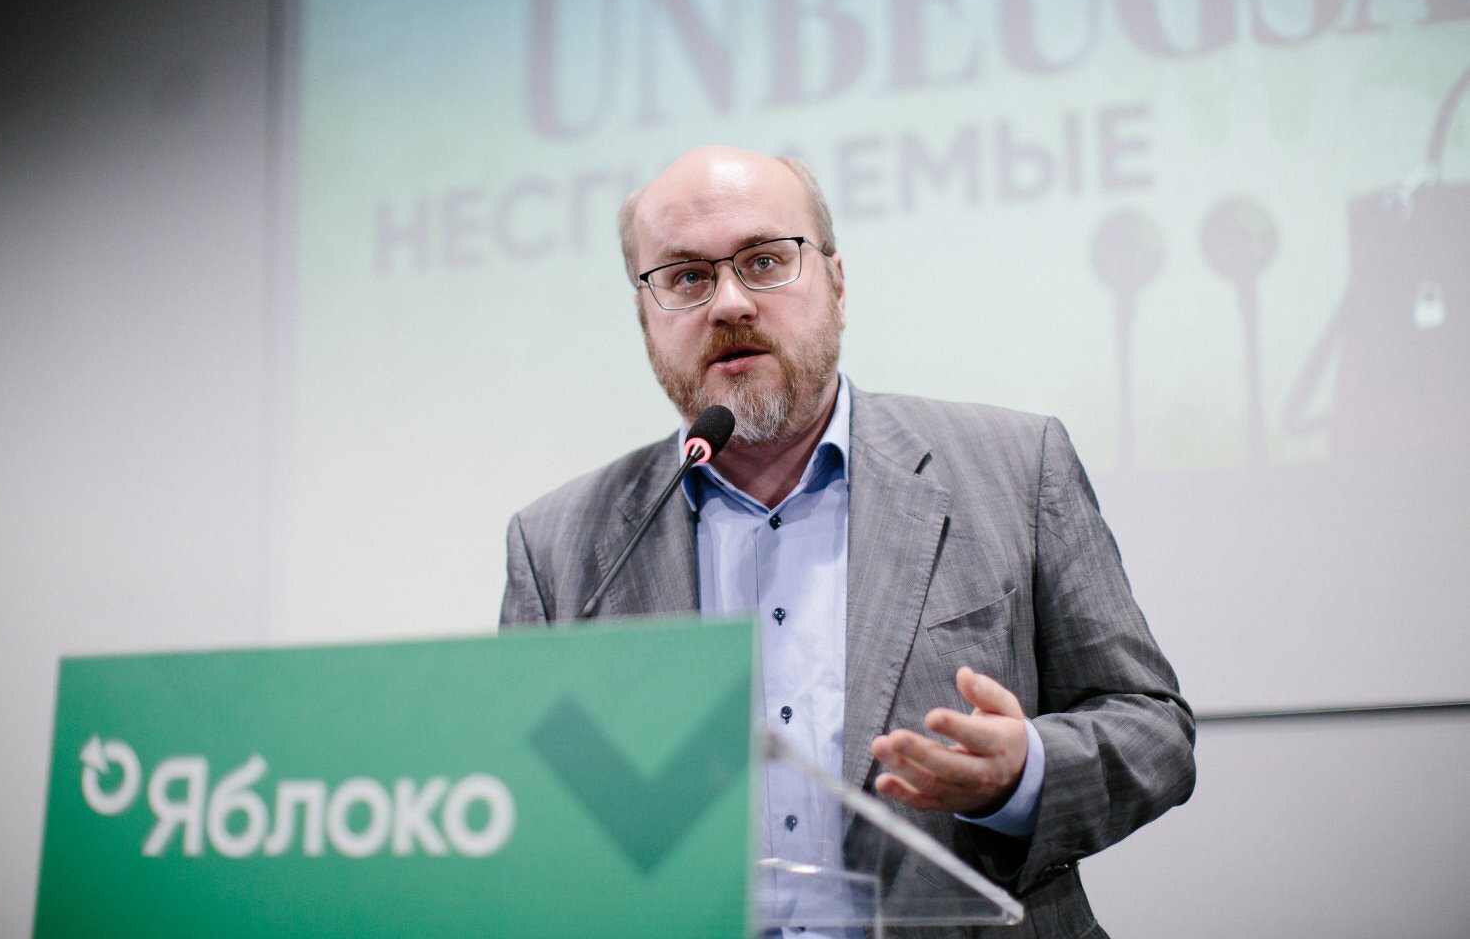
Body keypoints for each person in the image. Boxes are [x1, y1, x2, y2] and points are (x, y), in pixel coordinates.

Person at [500, 145, 1196, 937]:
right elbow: (531, 817)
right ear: (645, 320)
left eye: (765, 261)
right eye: (687, 277)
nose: (729, 303)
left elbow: (1154, 732)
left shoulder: (1014, 467)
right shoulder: (559, 548)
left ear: (836, 283)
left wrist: (1024, 774)